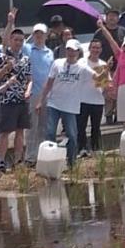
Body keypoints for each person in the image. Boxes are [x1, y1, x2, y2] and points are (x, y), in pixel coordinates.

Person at [37, 39, 98, 167]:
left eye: (73, 50)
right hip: (54, 103)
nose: (70, 53)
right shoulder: (57, 63)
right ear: (65, 50)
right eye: (68, 49)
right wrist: (40, 101)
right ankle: (50, 160)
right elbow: (48, 83)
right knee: (50, 132)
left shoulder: (82, 68)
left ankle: (72, 163)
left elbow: (98, 78)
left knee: (71, 134)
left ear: (78, 52)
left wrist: (109, 85)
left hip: (71, 106)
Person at [8, 12, 54, 165]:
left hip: (47, 93)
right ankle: (30, 157)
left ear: (46, 35)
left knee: (44, 126)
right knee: (32, 126)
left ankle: (41, 155)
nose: (39, 36)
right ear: (33, 35)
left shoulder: (50, 53)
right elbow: (13, 39)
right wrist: (11, 22)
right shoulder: (27, 48)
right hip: (32, 93)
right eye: (36, 34)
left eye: (41, 34)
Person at [0, 28, 32, 171]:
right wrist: (6, 68)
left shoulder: (25, 59)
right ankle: (1, 162)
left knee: (20, 131)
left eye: (21, 40)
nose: (18, 43)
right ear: (10, 40)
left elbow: (29, 79)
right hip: (7, 99)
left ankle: (18, 161)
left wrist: (28, 90)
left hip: (22, 99)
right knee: (4, 132)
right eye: (16, 40)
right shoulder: (1, 57)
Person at [92, 9, 125, 124]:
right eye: (110, 16)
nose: (112, 18)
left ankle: (119, 115)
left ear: (118, 18)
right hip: (102, 66)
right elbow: (94, 47)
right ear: (105, 18)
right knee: (105, 93)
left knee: (120, 92)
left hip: (120, 67)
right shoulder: (99, 32)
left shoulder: (123, 31)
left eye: (114, 16)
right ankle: (108, 116)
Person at [76, 39, 109, 156]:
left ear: (101, 50)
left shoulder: (104, 64)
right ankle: (82, 148)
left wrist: (107, 85)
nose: (95, 50)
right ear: (89, 49)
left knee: (96, 127)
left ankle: (96, 148)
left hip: (97, 100)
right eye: (93, 47)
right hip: (82, 99)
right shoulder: (82, 62)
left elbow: (104, 84)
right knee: (81, 127)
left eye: (98, 48)